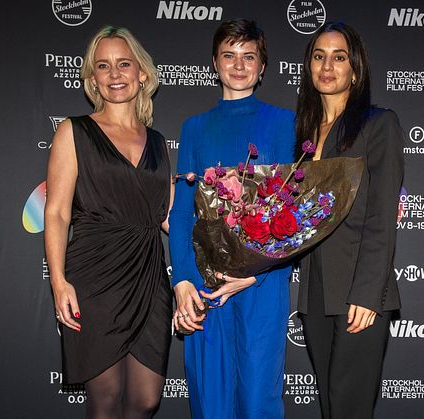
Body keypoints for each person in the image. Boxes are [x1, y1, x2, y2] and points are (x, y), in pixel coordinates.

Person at [169, 19, 295, 419]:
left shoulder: (285, 123)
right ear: (214, 63)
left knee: (259, 402)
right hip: (206, 287)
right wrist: (183, 281)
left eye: (248, 56)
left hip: (263, 285)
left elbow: (295, 213)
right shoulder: (195, 128)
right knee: (212, 404)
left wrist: (256, 273)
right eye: (229, 55)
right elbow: (183, 211)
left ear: (262, 67)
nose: (238, 65)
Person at [44, 26, 172, 419]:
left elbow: (168, 216)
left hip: (149, 276)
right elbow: (58, 212)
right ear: (92, 79)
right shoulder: (73, 131)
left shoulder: (158, 141)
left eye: (124, 64)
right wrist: (59, 280)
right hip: (94, 275)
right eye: (104, 66)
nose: (115, 74)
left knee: (146, 400)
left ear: (142, 74)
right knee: (105, 398)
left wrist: (228, 239)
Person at [294, 22, 405, 419]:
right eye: (319, 57)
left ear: (354, 70)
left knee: (349, 409)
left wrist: (367, 294)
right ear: (308, 68)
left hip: (359, 290)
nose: (328, 65)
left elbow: (381, 216)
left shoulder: (379, 124)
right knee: (330, 407)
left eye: (338, 57)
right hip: (315, 291)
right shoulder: (304, 135)